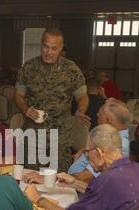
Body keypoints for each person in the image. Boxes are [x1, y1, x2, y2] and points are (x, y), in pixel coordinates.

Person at [15, 28, 89, 172]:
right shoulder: (28, 68)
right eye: (45, 47)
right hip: (34, 133)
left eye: (53, 48)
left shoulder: (71, 69)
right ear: (41, 45)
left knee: (60, 178)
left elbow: (82, 96)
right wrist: (25, 109)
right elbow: (18, 95)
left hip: (60, 135)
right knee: (31, 176)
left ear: (61, 48)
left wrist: (80, 111)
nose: (48, 52)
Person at [25, 98, 131, 185]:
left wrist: (50, 180)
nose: (97, 115)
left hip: (80, 192)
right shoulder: (112, 137)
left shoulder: (117, 145)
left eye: (100, 113)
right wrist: (85, 150)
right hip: (72, 185)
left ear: (108, 120)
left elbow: (85, 177)